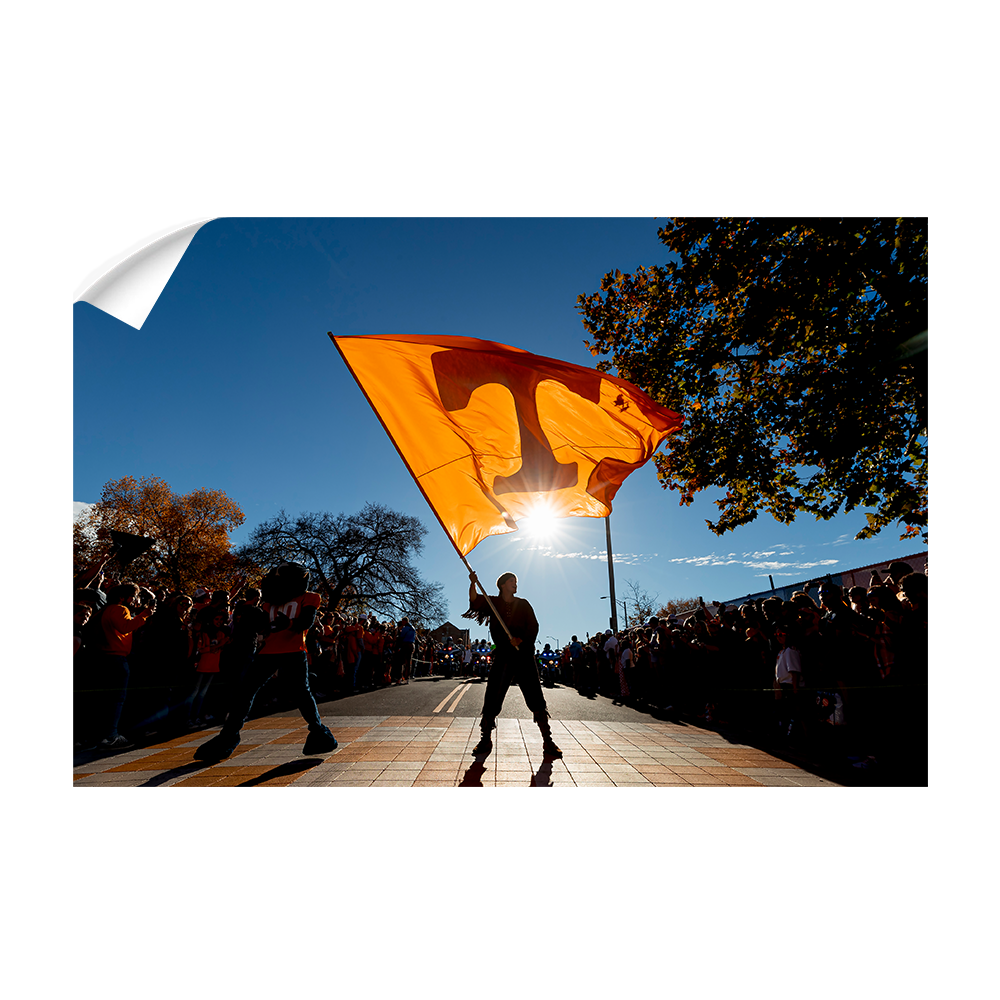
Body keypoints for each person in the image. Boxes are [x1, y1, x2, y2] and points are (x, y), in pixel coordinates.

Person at [195, 562, 339, 760]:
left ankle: (319, 732)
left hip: (293, 651)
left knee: (301, 693)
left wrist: (287, 623)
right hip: (267, 652)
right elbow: (264, 628)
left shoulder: (309, 597)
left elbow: (305, 622)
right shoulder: (268, 603)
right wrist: (250, 623)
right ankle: (228, 736)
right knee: (245, 691)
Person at [462, 571, 561, 758]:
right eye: (511, 582)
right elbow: (475, 601)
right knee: (492, 695)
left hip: (523, 656)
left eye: (516, 582)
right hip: (503, 656)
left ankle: (548, 741)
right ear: (502, 585)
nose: (515, 584)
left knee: (535, 696)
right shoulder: (493, 603)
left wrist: (521, 640)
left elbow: (534, 626)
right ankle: (485, 739)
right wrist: (473, 583)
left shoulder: (523, 604)